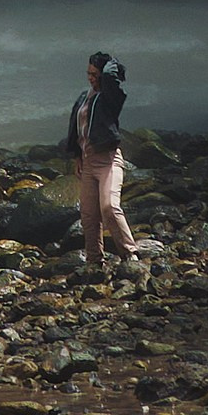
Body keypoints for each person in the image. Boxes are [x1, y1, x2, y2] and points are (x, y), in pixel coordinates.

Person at [66, 49, 139, 269]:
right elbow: (75, 127)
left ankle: (130, 252)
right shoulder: (84, 96)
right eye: (88, 73)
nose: (90, 78)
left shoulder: (111, 97)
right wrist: (77, 156)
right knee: (88, 215)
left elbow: (111, 76)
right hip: (88, 162)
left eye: (95, 74)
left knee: (109, 206)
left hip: (108, 160)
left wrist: (108, 65)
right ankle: (94, 260)